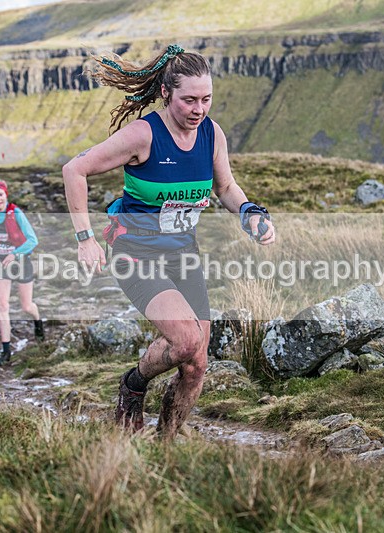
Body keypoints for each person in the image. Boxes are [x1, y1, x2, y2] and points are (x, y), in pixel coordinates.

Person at [62, 45, 275, 440]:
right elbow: (74, 169)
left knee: (196, 363)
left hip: (182, 253)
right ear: (166, 93)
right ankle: (134, 383)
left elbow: (225, 186)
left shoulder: (212, 135)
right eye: (189, 100)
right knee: (187, 339)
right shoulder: (143, 135)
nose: (199, 109)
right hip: (135, 253)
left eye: (206, 99)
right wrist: (85, 239)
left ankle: (165, 447)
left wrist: (249, 213)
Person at [0, 179, 44, 365]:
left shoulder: (15, 213)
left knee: (26, 306)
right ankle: (6, 351)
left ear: (6, 195)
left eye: (0, 194)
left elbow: (33, 240)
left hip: (21, 262)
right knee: (2, 306)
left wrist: (15, 254)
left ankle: (38, 321)